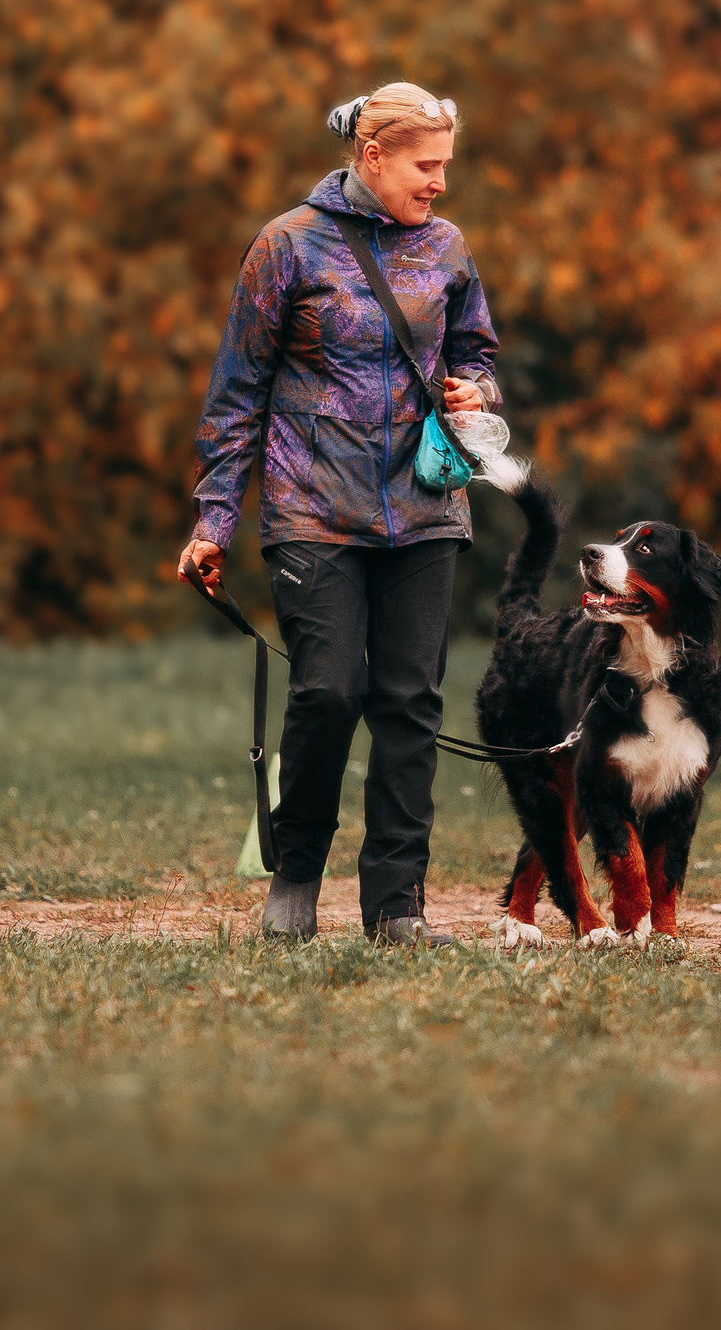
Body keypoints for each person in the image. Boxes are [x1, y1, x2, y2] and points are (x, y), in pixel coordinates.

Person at [177, 83, 500, 947]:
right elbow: (237, 392)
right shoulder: (287, 245)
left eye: (444, 168)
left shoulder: (448, 248)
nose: (438, 184)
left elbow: (477, 350)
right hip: (311, 506)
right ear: (374, 157)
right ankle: (295, 872)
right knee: (328, 690)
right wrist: (214, 520)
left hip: (426, 507)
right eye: (426, 167)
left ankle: (397, 905)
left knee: (409, 702)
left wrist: (479, 389)